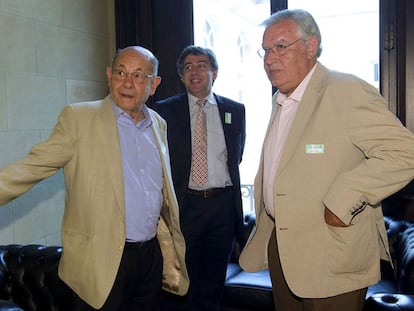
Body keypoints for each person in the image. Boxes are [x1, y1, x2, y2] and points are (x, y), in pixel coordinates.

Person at [238, 9, 414, 311]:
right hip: (283, 251)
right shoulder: (281, 100)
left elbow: (404, 152)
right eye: (265, 50)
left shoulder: (345, 90)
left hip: (331, 255)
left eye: (280, 47)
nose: (269, 59)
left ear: (310, 46)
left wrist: (344, 200)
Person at [0, 46, 189, 311]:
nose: (127, 82)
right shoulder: (79, 118)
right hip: (101, 261)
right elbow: (33, 165)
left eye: (138, 76)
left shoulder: (158, 123)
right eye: (121, 72)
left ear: (154, 84)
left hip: (150, 258)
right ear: (109, 75)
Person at [153, 45, 246, 311]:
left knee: (214, 280)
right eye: (188, 67)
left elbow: (235, 156)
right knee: (182, 280)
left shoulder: (235, 110)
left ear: (214, 73)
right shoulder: (164, 111)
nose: (195, 71)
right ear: (181, 76)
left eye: (202, 65)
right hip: (186, 206)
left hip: (222, 207)